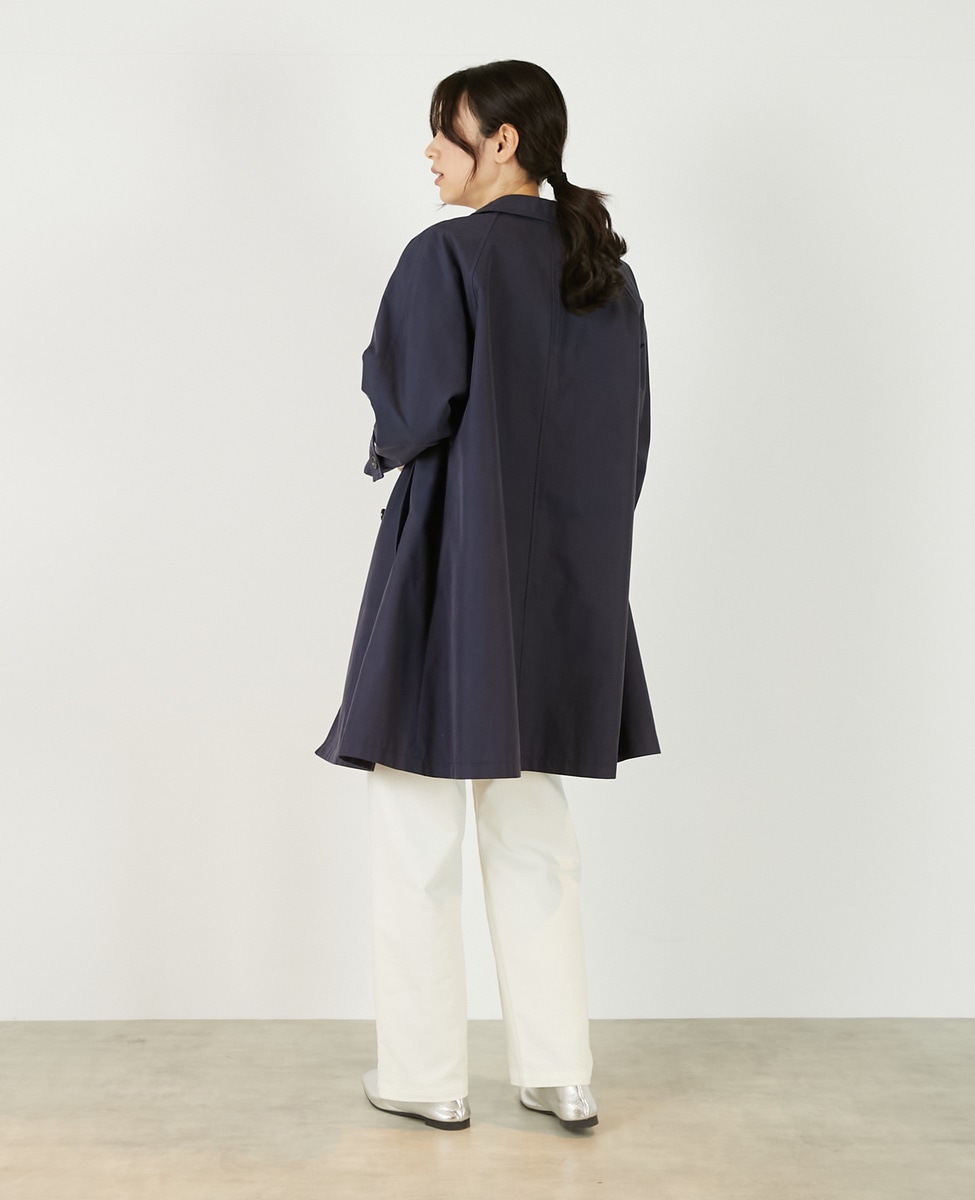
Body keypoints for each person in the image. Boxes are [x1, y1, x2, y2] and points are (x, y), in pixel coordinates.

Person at [315, 59, 660, 1132]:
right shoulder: (603, 273)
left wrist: (386, 420)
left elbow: (412, 408)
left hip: (449, 564)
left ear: (501, 140)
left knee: (415, 819)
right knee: (532, 824)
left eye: (444, 128)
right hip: (560, 586)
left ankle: (424, 1078)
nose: (429, 150)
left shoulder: (448, 254)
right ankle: (560, 1072)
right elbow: (627, 443)